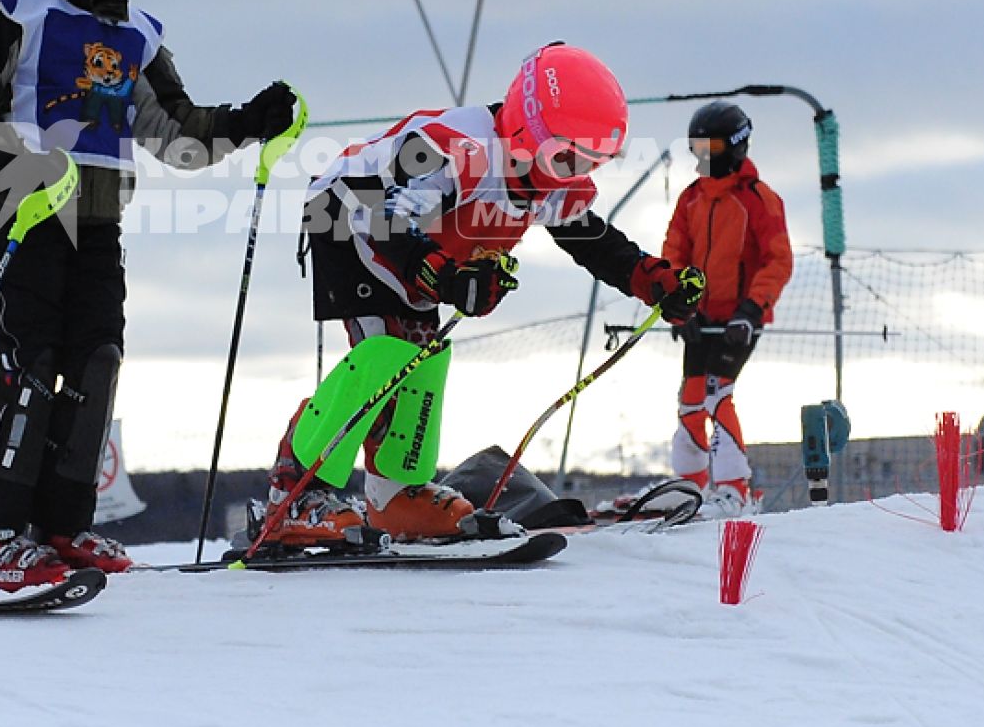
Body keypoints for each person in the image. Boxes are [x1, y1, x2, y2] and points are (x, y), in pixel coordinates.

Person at [0, 0, 294, 593]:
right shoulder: (13, 9)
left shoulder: (137, 32)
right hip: (21, 221)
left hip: (98, 227)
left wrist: (251, 122)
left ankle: (62, 526)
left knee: (97, 363)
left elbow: (178, 132)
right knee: (30, 366)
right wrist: (24, 166)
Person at [265, 42, 706, 545]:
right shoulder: (458, 151)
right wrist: (441, 274)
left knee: (424, 359)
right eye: (564, 155)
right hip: (348, 218)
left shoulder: (547, 181)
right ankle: (294, 496)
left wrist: (652, 280)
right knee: (383, 357)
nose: (571, 171)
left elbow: (590, 240)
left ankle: (394, 494)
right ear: (525, 129)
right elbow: (382, 213)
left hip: (417, 242)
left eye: (590, 162)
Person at [661, 101, 793, 516]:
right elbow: (674, 253)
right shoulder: (691, 199)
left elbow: (778, 259)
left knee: (719, 394)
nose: (704, 154)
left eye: (712, 145)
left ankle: (734, 488)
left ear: (735, 146)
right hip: (700, 317)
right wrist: (679, 305)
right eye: (698, 145)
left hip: (739, 318)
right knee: (691, 396)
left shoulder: (757, 198)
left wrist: (752, 310)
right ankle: (691, 485)